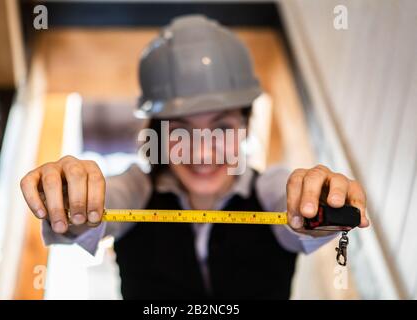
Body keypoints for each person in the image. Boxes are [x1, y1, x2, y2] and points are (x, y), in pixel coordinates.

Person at [20, 15, 369, 299]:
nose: (201, 150)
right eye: (180, 129)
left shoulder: (272, 190)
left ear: (246, 126)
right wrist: (74, 202)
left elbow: (299, 219)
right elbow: (100, 210)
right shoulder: (136, 188)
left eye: (221, 126)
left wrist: (318, 205)